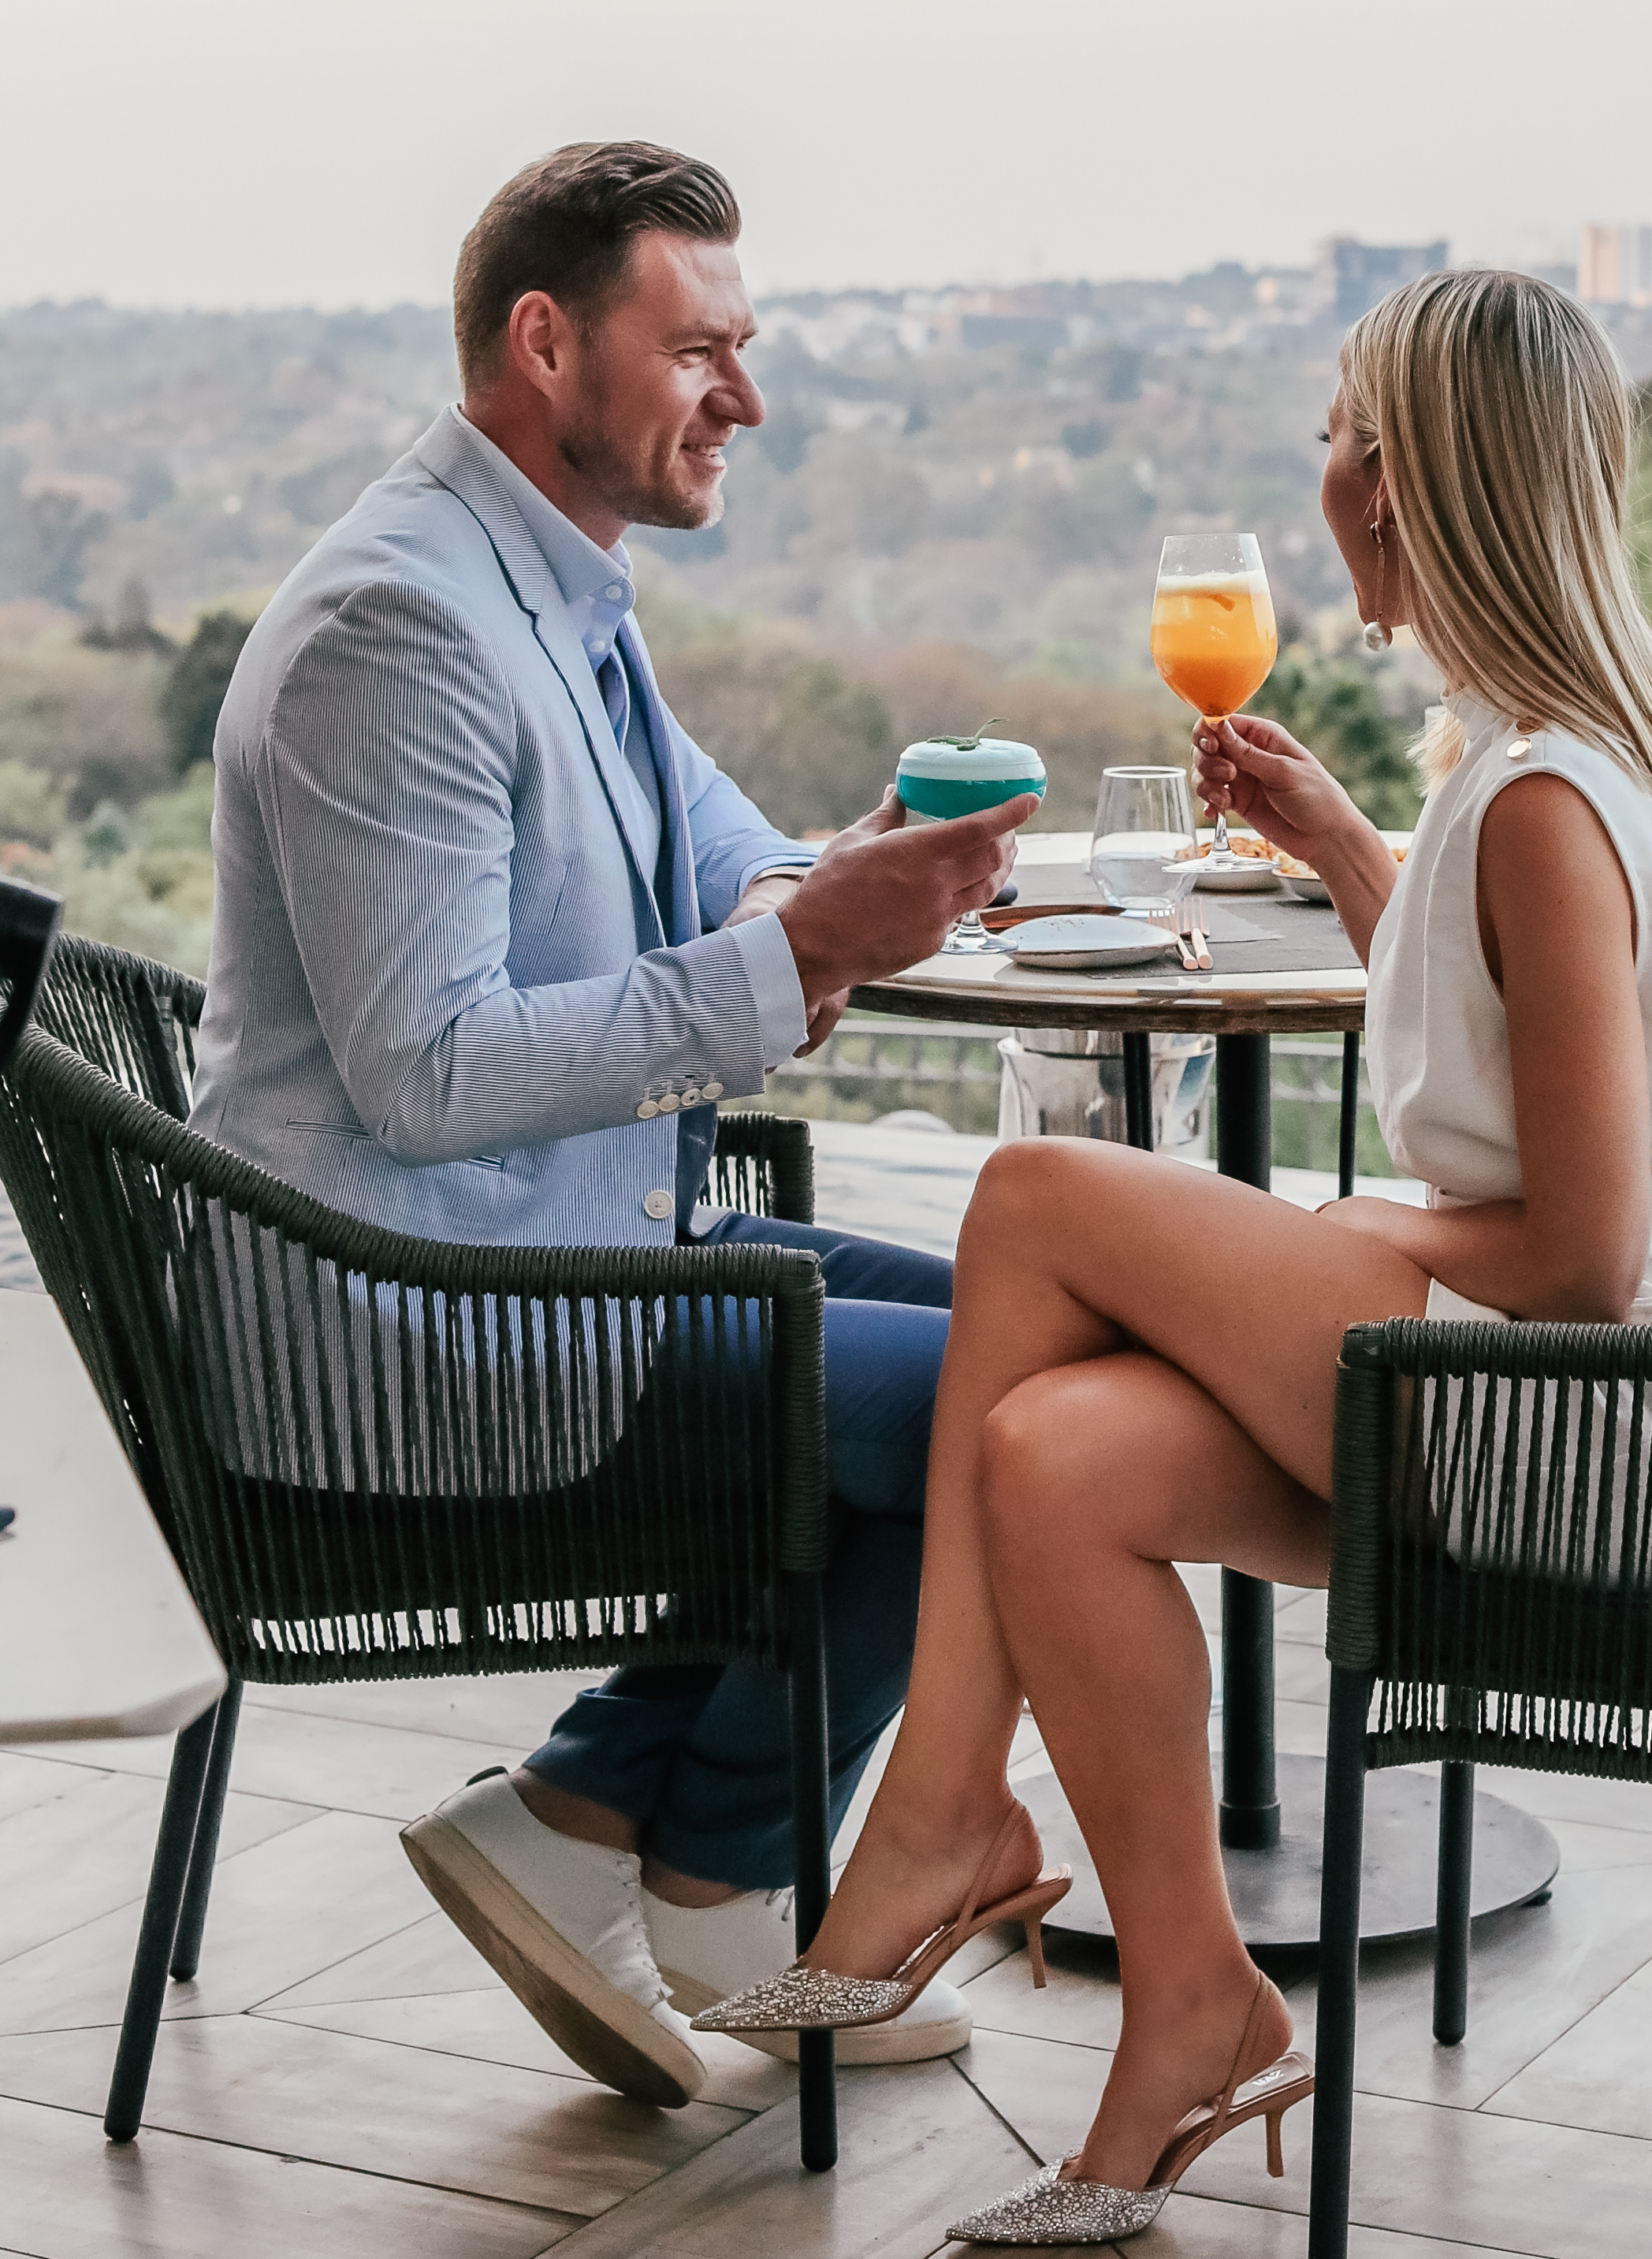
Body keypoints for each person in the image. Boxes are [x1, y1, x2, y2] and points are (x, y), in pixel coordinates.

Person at [692, 266, 1652, 2239]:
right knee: (1049, 1458)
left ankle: (939, 1806)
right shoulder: (1567, 756)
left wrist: (1351, 1225)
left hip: (1591, 1429)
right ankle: (1192, 2001)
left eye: (1340, 438)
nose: (1325, 474)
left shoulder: (1544, 799)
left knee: (1033, 1202)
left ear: (1405, 484)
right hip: (1569, 1404)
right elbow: (1516, 1057)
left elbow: (1580, 1246)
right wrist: (1352, 847)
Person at [192, 141, 1036, 2106]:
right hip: (408, 1320)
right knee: (1010, 1417)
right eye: (701, 348)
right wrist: (797, 951)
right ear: (546, 343)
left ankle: (589, 1814)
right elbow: (427, 1072)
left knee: (1033, 1329)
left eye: (746, 344)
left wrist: (838, 883)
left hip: (550, 1248)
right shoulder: (399, 626)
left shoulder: (551, 580)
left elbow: (726, 850)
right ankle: (723, 1868)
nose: (747, 396)